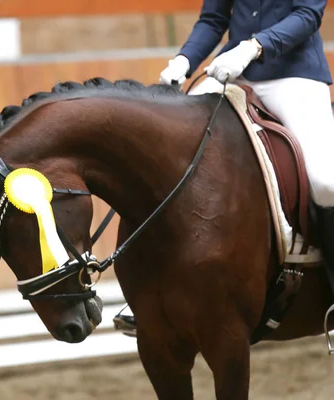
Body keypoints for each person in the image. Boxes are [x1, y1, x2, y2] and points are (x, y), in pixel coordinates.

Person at [113, 0, 334, 337]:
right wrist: (184, 60)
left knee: (325, 181)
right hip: (230, 73)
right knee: (171, 151)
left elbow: (307, 15)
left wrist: (254, 47)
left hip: (294, 76)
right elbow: (214, 19)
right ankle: (151, 288)